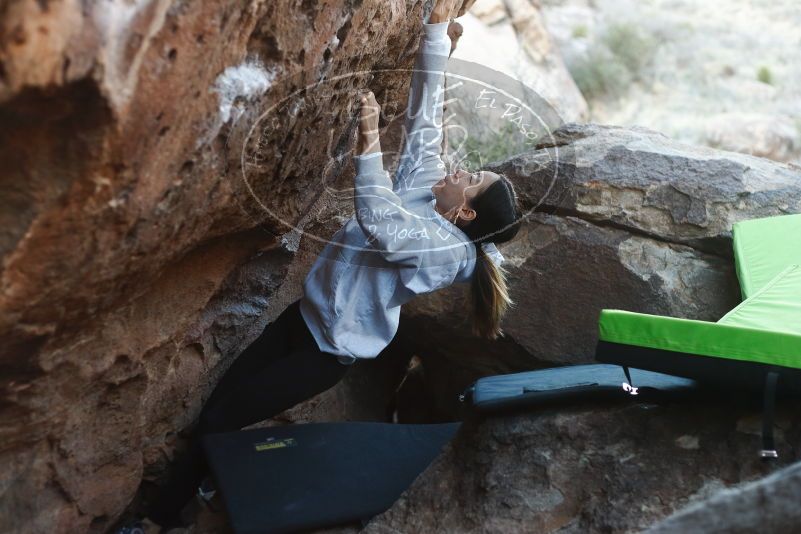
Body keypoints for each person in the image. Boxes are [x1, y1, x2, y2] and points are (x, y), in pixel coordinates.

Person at [118, 1, 518, 532]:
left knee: (221, 419)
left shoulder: (444, 252)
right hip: (301, 319)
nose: (460, 169)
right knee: (219, 412)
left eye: (471, 178)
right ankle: (207, 490)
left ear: (463, 212)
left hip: (326, 351)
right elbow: (427, 117)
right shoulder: (430, 192)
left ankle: (156, 522)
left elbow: (378, 219)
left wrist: (369, 139)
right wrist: (436, 27)